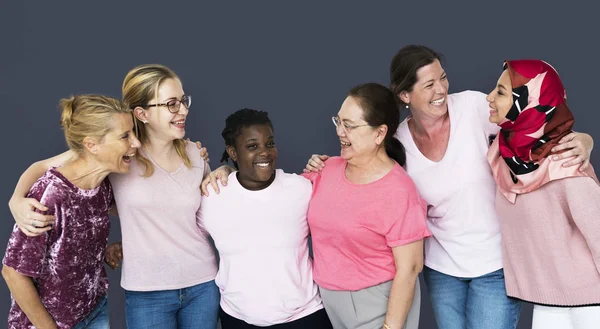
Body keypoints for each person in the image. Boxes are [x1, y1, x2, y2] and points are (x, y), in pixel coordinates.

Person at [304, 45, 595, 329]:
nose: (441, 89)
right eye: (429, 84)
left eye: (442, 78)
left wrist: (583, 139)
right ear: (405, 95)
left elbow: (528, 118)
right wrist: (322, 166)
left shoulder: (472, 107)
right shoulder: (398, 142)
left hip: (496, 263)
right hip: (442, 268)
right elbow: (371, 178)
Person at [8, 65, 219, 329]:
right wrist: (15, 199)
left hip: (197, 283)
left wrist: (225, 169)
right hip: (143, 292)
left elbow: (197, 207)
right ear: (142, 113)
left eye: (183, 101)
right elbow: (46, 168)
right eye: (172, 104)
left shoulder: (191, 155)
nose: (184, 110)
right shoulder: (115, 158)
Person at [204, 83, 430, 329]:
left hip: (378, 302)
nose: (340, 132)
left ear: (379, 134)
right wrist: (227, 171)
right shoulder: (327, 170)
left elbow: (411, 267)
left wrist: (391, 327)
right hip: (329, 305)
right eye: (339, 122)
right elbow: (269, 197)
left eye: (350, 125)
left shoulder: (399, 190)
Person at [2, 95, 141, 329]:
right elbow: (12, 274)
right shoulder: (50, 195)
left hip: (94, 310)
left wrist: (97, 252)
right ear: (91, 145)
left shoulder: (103, 184)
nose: (136, 143)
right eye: (125, 136)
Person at [486, 59, 600, 329]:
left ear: (529, 101)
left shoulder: (566, 159)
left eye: (501, 92)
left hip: (590, 303)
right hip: (547, 302)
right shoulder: (502, 155)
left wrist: (586, 141)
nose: (489, 97)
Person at [198, 108, 331, 329]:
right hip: (238, 319)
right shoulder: (213, 197)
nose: (264, 152)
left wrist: (322, 167)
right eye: (252, 146)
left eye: (269, 144)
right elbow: (182, 236)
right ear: (232, 152)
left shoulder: (300, 189)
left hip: (305, 317)